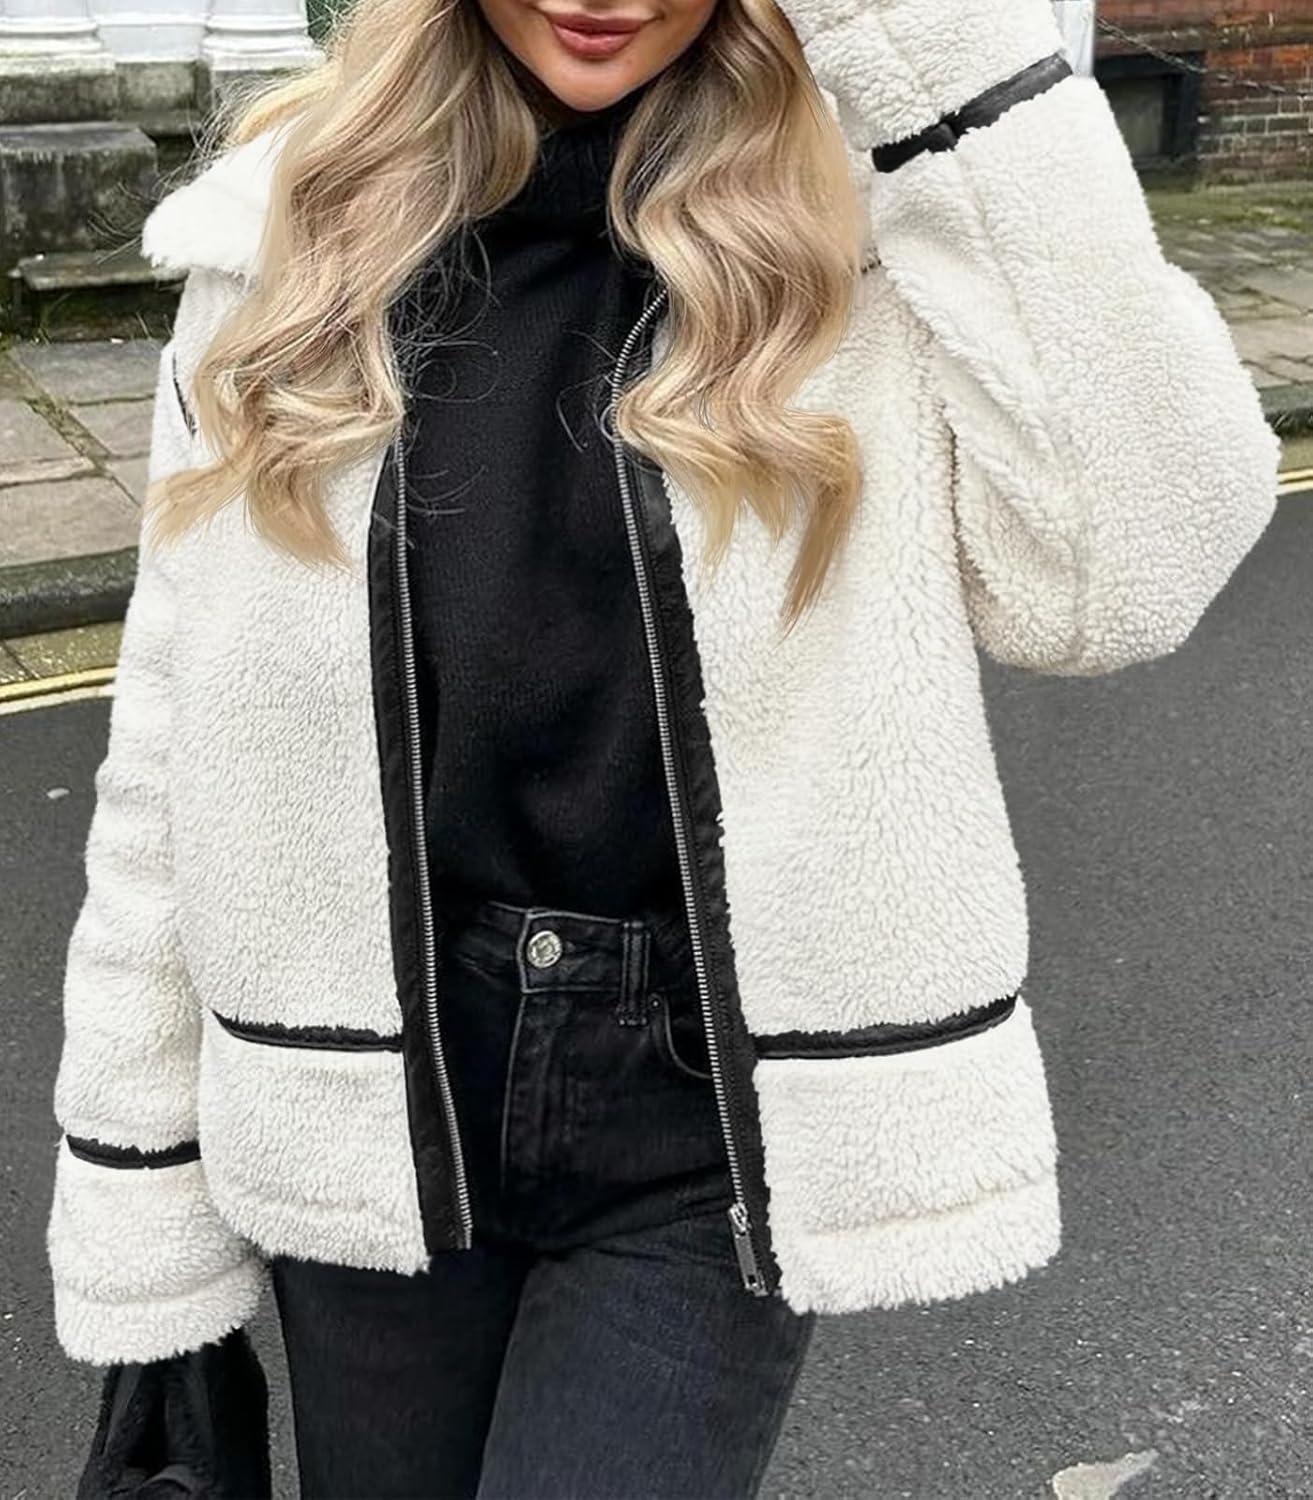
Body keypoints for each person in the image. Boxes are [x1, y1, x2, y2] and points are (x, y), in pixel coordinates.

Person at [45, 0, 1280, 1492]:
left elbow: (1121, 582)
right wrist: (135, 1188)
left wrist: (944, 63)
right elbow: (171, 746)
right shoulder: (289, 232)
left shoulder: (884, 213)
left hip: (703, 1112)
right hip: (368, 1088)